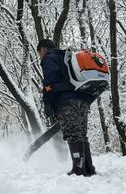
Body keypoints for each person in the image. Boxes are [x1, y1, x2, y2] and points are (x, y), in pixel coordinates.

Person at [37, 38, 96, 176]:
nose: (40, 56)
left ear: (43, 49)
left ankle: (78, 169)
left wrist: (48, 104)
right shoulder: (66, 57)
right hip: (82, 98)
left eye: (39, 53)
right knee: (81, 134)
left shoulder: (49, 58)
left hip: (67, 101)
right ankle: (88, 168)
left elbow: (49, 83)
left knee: (73, 134)